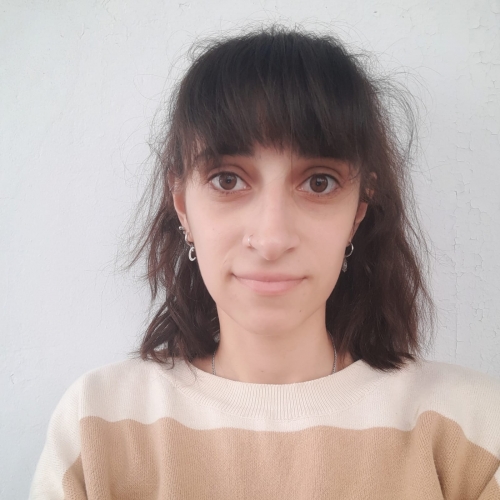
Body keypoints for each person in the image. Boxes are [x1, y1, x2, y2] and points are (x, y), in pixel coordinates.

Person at [30, 25, 500, 499]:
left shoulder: (472, 429)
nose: (272, 239)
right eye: (228, 180)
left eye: (319, 182)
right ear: (182, 205)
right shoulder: (98, 425)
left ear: (359, 211)